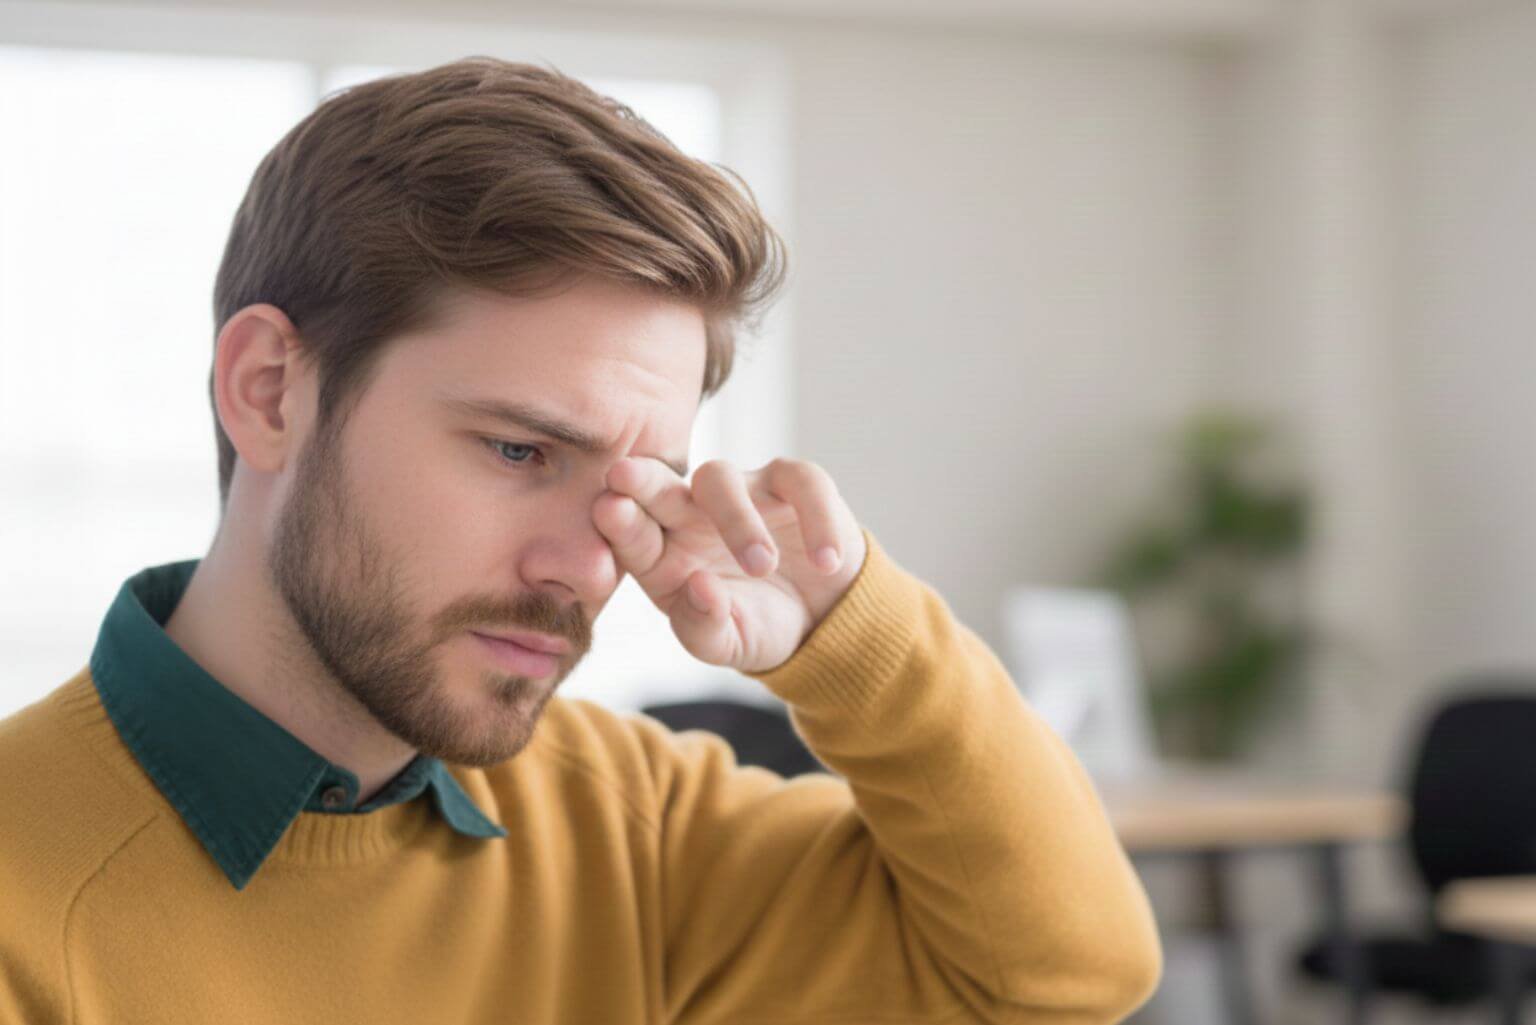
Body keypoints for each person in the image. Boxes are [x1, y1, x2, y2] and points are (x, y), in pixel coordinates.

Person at [0, 57, 1161, 1024]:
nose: (589, 564)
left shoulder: (631, 819)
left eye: (637, 486)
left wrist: (855, 634)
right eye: (518, 452)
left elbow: (1062, 975)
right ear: (267, 392)